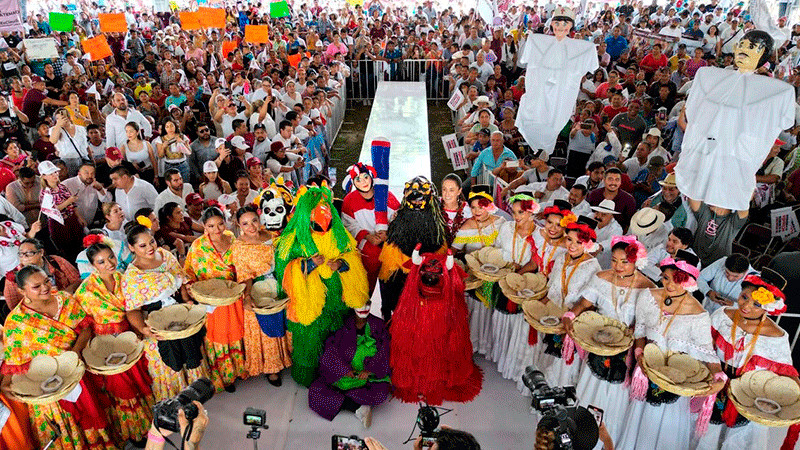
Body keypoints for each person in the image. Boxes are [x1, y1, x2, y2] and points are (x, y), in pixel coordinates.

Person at [1, 265, 115, 449]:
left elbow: (85, 327)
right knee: (66, 426)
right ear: (22, 291)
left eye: (46, 281)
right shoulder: (16, 322)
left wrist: (75, 353)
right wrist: (7, 384)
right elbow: (16, 361)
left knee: (92, 412)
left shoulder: (64, 299)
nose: (45, 287)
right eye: (36, 287)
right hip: (47, 384)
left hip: (78, 370)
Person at [620, 251, 725, 449]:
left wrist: (719, 377)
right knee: (638, 418)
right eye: (666, 278)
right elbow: (640, 330)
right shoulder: (648, 296)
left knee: (662, 425)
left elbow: (706, 353)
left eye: (677, 280)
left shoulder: (699, 315)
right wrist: (639, 353)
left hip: (677, 378)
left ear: (689, 282)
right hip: (647, 370)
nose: (669, 285)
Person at [274, 184, 369, 387]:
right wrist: (308, 264)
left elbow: (352, 254)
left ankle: (337, 373)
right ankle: (308, 376)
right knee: (310, 339)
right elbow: (282, 270)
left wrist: (342, 264)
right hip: (309, 305)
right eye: (316, 225)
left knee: (336, 336)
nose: (323, 230)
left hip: (337, 301)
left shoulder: (339, 234)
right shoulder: (291, 241)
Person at [566, 236, 655, 444]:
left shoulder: (648, 288)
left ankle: (606, 439)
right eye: (614, 260)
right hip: (598, 341)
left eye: (625, 261)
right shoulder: (601, 277)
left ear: (636, 261)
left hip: (625, 350)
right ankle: (581, 433)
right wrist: (570, 315)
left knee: (614, 394)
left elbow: (644, 327)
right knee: (590, 384)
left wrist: (638, 351)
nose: (618, 266)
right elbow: (584, 303)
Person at [699, 269, 800, 450]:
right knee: (707, 433)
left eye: (757, 304)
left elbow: (786, 373)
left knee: (736, 439)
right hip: (715, 383)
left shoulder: (777, 335)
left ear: (768, 307)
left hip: (747, 395)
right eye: (744, 297)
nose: (747, 306)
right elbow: (704, 346)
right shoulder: (723, 315)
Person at [74, 237, 154, 445]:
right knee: (120, 389)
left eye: (111, 258)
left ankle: (151, 424)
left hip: (130, 337)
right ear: (92, 266)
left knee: (140, 380)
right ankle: (133, 431)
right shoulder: (85, 291)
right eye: (101, 262)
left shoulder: (126, 279)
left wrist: (139, 328)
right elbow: (82, 325)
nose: (109, 264)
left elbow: (137, 307)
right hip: (104, 347)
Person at [121, 224, 209, 402]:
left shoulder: (166, 255)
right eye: (142, 246)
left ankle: (198, 391)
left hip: (180, 312)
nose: (150, 248)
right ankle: (176, 401)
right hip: (157, 321)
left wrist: (186, 300)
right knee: (168, 358)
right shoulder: (132, 276)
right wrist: (143, 328)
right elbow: (133, 309)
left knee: (191, 345)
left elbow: (181, 278)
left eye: (151, 241)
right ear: (132, 248)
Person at [390, 247, 482, 404]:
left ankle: (436, 383)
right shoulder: (410, 301)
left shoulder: (451, 302)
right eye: (426, 273)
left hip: (442, 313)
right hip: (417, 310)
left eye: (436, 274)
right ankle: (416, 382)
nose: (430, 277)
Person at [184, 207, 247, 393]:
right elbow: (188, 271)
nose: (217, 229)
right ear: (204, 226)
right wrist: (191, 294)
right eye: (211, 226)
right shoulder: (198, 245)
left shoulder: (233, 239)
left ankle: (240, 370)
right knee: (217, 336)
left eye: (220, 224)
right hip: (210, 299)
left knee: (236, 331)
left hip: (233, 296)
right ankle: (225, 377)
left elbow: (242, 266)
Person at [230, 205, 293, 385]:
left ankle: (288, 357)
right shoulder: (240, 247)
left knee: (286, 319)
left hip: (279, 285)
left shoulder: (272, 236)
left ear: (260, 220)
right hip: (258, 290)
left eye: (254, 221)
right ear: (238, 225)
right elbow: (245, 276)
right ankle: (272, 369)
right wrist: (248, 296)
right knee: (266, 329)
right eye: (245, 224)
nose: (251, 227)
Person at [539, 215, 601, 387]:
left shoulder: (593, 267)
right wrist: (538, 307)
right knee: (546, 357)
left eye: (578, 242)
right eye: (569, 239)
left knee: (561, 364)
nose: (572, 245)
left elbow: (589, 303)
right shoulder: (561, 258)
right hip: (553, 314)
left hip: (571, 321)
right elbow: (552, 287)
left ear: (587, 244)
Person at [309, 301, 390, 428]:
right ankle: (357, 407)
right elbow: (330, 349)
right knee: (315, 394)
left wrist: (370, 371)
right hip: (343, 377)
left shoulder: (378, 325)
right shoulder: (342, 324)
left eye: (367, 304)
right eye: (360, 305)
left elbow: (385, 350)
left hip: (368, 379)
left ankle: (342, 400)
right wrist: (343, 369)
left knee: (381, 394)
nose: (364, 308)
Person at [341, 163, 399, 294]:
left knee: (390, 281)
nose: (363, 182)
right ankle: (364, 302)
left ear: (371, 177)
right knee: (366, 280)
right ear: (353, 183)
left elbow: (398, 218)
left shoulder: (386, 196)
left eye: (366, 177)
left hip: (388, 244)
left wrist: (388, 233)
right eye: (358, 179)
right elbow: (348, 225)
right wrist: (368, 236)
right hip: (365, 247)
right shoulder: (349, 200)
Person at [4, 238, 80, 309]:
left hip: (67, 304)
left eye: (30, 253)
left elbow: (77, 280)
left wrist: (62, 294)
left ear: (41, 252)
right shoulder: (13, 277)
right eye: (21, 254)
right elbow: (15, 307)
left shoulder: (56, 261)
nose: (24, 257)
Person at [38, 160, 84, 260]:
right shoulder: (45, 193)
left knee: (79, 243)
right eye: (51, 174)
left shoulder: (62, 187)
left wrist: (79, 217)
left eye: (55, 172)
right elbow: (52, 210)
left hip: (71, 219)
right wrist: (68, 201)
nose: (55, 175)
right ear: (44, 176)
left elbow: (73, 204)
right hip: (58, 223)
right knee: (67, 249)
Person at [452, 185, 507, 254]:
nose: (476, 211)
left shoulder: (500, 222)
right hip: (472, 263)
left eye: (481, 208)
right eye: (473, 207)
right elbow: (453, 250)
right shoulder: (467, 227)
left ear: (489, 206)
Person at [62, 162, 111, 226]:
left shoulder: (95, 184)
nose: (90, 176)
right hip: (71, 224)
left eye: (92, 173)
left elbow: (108, 201)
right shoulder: (66, 184)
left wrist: (100, 189)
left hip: (89, 223)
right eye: (86, 173)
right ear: (79, 174)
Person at [49, 107, 90, 176]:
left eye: (64, 116)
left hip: (83, 158)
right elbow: (53, 140)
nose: (62, 119)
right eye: (59, 118)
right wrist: (58, 125)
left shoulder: (80, 128)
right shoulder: (54, 129)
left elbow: (86, 145)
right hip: (68, 160)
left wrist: (91, 159)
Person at [440, 173, 472, 246]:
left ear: (459, 191)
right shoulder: (435, 205)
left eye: (451, 190)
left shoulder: (467, 210)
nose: (447, 194)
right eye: (444, 189)